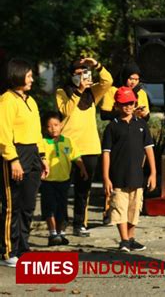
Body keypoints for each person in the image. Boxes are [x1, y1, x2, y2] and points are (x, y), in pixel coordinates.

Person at [0, 58, 49, 267]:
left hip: (33, 154)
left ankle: (22, 246)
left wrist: (43, 157)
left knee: (28, 205)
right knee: (13, 206)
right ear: (17, 75)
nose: (32, 80)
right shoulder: (6, 100)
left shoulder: (30, 100)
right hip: (15, 153)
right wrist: (13, 159)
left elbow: (37, 132)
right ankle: (7, 251)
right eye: (29, 75)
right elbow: (3, 134)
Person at [56, 57, 113, 237]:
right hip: (67, 146)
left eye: (85, 73)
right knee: (62, 188)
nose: (82, 77)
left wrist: (97, 65)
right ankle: (61, 223)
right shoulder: (62, 92)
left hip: (89, 147)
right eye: (78, 73)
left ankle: (80, 223)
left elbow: (108, 81)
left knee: (83, 189)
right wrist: (79, 91)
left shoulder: (92, 93)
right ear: (71, 75)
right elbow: (66, 110)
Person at [102, 87, 156, 252]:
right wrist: (106, 177)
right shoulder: (112, 127)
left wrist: (153, 172)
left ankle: (130, 238)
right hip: (118, 176)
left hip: (137, 176)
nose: (128, 106)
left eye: (131, 103)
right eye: (124, 103)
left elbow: (149, 149)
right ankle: (124, 240)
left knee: (134, 209)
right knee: (120, 208)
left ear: (136, 103)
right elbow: (106, 153)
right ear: (117, 105)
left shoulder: (141, 125)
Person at [100, 62, 150, 224]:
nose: (133, 82)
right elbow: (104, 114)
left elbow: (147, 115)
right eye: (130, 78)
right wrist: (124, 110)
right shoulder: (113, 90)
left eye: (136, 79)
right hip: (119, 134)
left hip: (136, 134)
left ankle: (130, 220)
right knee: (117, 177)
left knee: (134, 178)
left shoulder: (141, 93)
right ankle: (108, 212)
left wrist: (140, 113)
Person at [40, 112, 88, 246]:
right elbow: (40, 157)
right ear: (45, 128)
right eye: (49, 126)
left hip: (64, 180)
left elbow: (76, 156)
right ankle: (52, 233)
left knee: (62, 208)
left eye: (56, 125)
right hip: (48, 181)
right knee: (49, 207)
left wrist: (83, 168)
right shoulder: (42, 142)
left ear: (61, 125)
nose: (53, 128)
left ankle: (61, 233)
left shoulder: (68, 141)